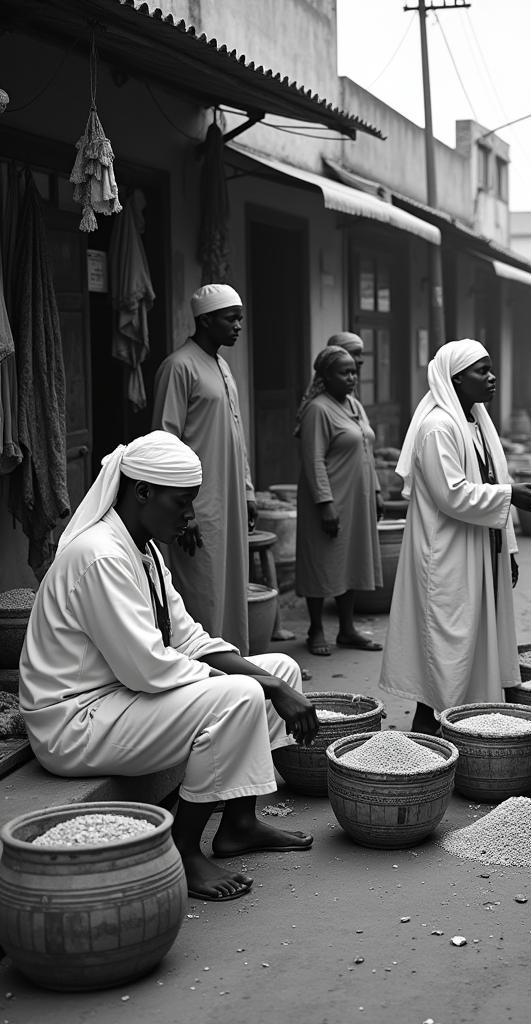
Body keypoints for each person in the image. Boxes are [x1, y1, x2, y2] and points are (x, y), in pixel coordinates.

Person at [19, 431, 319, 903]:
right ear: (142, 493)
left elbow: (188, 639)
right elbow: (150, 670)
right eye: (181, 503)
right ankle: (182, 848)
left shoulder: (146, 551)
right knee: (241, 694)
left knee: (280, 667)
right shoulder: (99, 556)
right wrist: (258, 686)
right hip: (74, 723)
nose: (189, 516)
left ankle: (239, 824)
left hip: (121, 697)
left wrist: (269, 679)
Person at [379, 339, 531, 735]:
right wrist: (512, 497)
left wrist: (507, 548)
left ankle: (467, 733)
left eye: (490, 369)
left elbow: (493, 478)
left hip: (480, 548)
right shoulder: (438, 427)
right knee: (445, 649)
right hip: (446, 554)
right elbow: (453, 493)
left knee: (474, 645)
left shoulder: (476, 423)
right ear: (456, 380)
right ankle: (427, 740)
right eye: (482, 371)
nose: (492, 378)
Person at [152, 283, 255, 653]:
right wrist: (184, 507)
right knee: (201, 585)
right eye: (231, 318)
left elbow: (236, 432)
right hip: (198, 503)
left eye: (240, 318)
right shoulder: (178, 366)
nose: (238, 326)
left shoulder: (222, 365)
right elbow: (165, 440)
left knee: (230, 583)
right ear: (206, 320)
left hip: (229, 497)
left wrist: (247, 490)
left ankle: (235, 659)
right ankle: (204, 668)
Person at [295, 345, 383, 656]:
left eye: (354, 372)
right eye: (343, 372)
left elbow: (366, 451)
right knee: (322, 561)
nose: (351, 377)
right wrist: (324, 503)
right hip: (329, 498)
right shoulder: (317, 409)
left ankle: (347, 629)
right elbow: (313, 460)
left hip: (357, 498)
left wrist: (375, 490)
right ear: (324, 376)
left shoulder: (355, 406)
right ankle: (316, 629)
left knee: (352, 560)